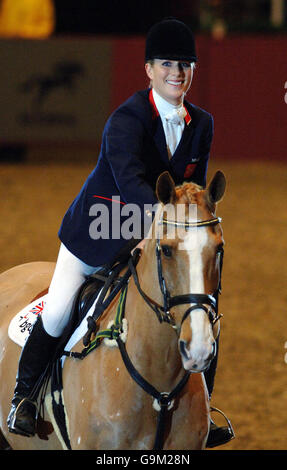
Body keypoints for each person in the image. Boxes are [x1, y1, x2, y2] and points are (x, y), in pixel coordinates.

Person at [7, 18, 234, 447]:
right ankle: (25, 398)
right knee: (58, 311)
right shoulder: (125, 120)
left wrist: (192, 221)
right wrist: (157, 223)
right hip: (101, 229)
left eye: (185, 64)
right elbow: (130, 183)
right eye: (167, 63)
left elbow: (193, 187)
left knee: (200, 308)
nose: (177, 72)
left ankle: (206, 406)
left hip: (161, 236)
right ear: (149, 69)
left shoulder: (201, 123)